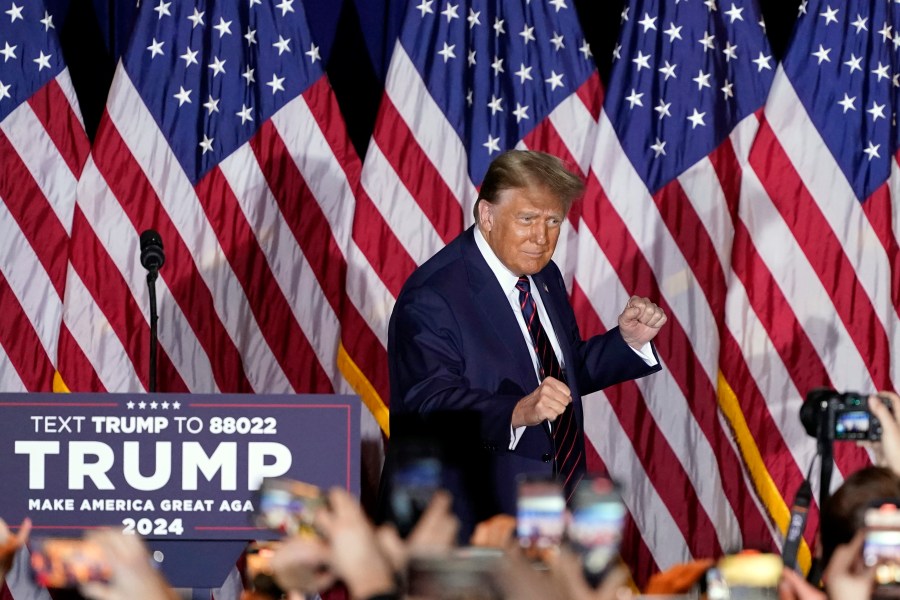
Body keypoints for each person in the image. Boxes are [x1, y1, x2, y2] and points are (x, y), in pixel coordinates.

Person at [383, 150, 666, 533]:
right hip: (466, 522)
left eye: (553, 221)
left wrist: (626, 343)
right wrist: (516, 411)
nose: (541, 237)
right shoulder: (433, 295)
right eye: (527, 219)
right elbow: (429, 409)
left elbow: (556, 375)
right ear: (487, 216)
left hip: (546, 508)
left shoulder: (543, 275)